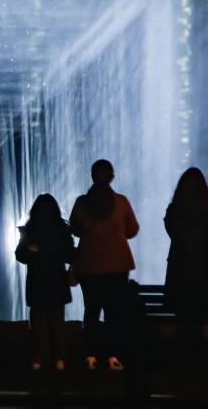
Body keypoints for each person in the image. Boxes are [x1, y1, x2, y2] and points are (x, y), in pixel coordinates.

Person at [70, 159, 139, 372]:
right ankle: (113, 356)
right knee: (114, 312)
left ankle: (90, 355)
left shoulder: (81, 203)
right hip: (117, 265)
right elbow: (133, 229)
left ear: (92, 176)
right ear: (112, 177)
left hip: (89, 265)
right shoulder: (121, 202)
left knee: (91, 310)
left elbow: (74, 229)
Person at [15, 194, 74, 372]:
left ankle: (38, 358)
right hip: (57, 281)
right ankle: (59, 358)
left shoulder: (30, 230)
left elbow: (20, 255)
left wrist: (34, 251)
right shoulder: (62, 229)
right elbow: (70, 254)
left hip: (37, 282)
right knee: (57, 322)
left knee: (38, 323)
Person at [163, 168, 208, 350]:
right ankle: (198, 353)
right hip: (203, 269)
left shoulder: (174, 211)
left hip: (179, 268)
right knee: (199, 318)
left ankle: (183, 353)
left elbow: (173, 232)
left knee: (182, 319)